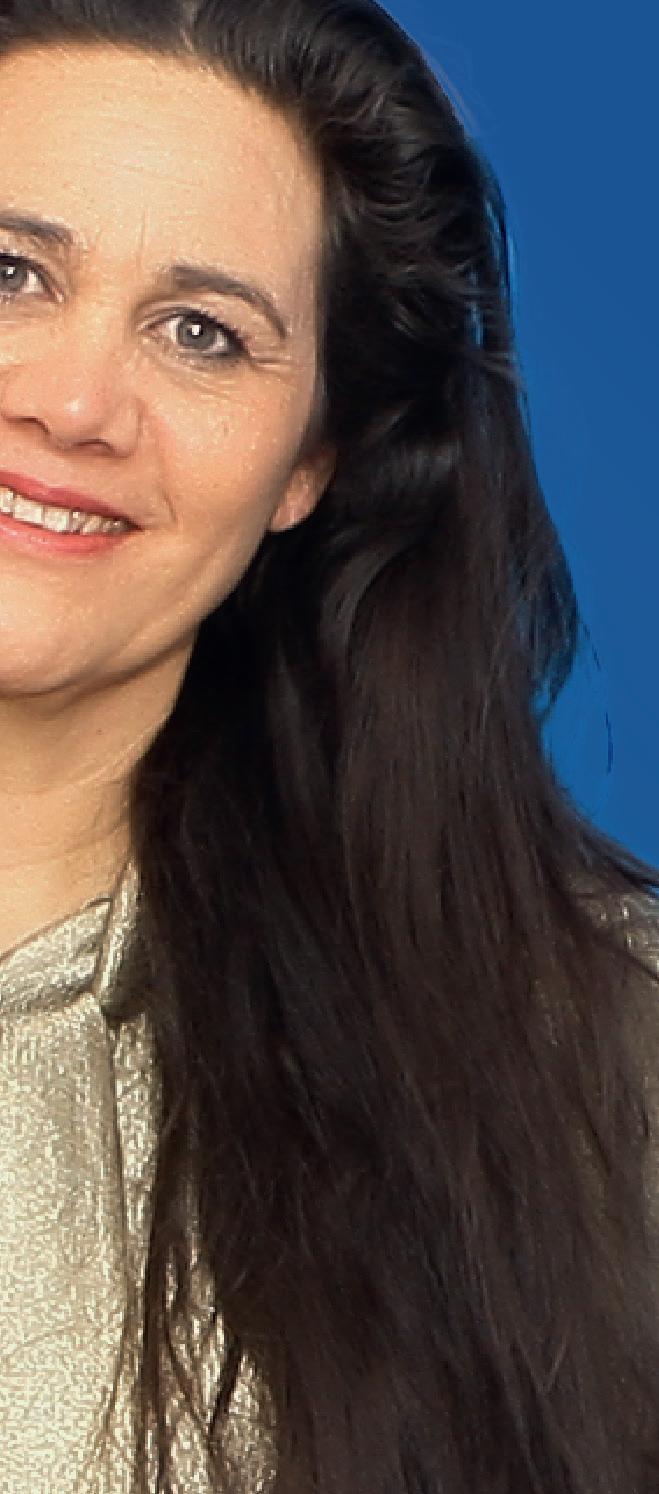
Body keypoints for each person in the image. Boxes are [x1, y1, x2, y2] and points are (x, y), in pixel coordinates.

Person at [1, 1, 659, 1490]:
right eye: (9, 270)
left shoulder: (595, 1055)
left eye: (202, 333)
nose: (74, 402)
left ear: (311, 458)